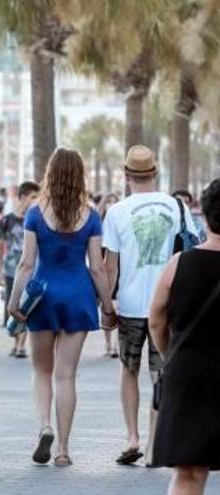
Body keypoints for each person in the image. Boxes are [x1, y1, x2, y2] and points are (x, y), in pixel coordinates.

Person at [7, 148, 116, 467]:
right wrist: (108, 306)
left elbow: (26, 264)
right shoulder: (92, 216)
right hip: (79, 296)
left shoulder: (35, 213)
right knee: (66, 376)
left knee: (42, 370)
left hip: (43, 295)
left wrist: (14, 303)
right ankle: (64, 450)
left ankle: (45, 426)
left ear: (50, 173)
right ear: (80, 175)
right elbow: (97, 268)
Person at [102, 145, 199, 467]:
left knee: (128, 369)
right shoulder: (178, 206)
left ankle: (132, 438)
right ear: (154, 173)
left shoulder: (116, 212)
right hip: (168, 304)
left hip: (129, 304)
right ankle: (156, 443)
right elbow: (191, 251)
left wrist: (107, 304)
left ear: (127, 175)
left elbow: (110, 267)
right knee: (162, 374)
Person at [149, 178, 220, 495]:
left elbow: (156, 319)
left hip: (187, 374)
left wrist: (171, 353)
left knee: (188, 472)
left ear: (203, 215)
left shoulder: (180, 263)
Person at [0, 181, 40, 358]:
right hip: (11, 269)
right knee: (12, 306)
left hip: (32, 270)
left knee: (26, 306)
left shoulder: (37, 219)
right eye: (33, 197)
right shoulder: (7, 220)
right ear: (21, 197)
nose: (36, 201)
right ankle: (16, 341)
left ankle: (21, 345)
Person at [97, 192, 120, 359]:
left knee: (118, 307)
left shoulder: (120, 222)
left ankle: (116, 346)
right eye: (108, 202)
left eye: (114, 202)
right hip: (102, 271)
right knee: (106, 306)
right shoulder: (98, 224)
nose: (110, 205)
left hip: (119, 269)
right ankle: (107, 343)